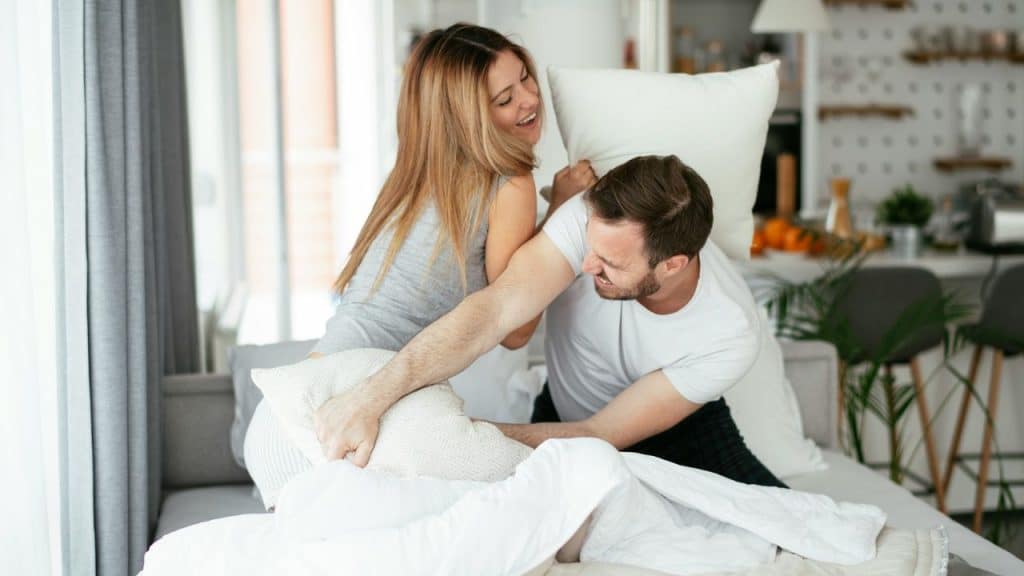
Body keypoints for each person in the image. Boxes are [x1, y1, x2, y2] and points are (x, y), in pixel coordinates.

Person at [243, 23, 598, 504]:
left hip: (282, 419)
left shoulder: (413, 179)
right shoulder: (507, 182)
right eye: (504, 99)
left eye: (525, 79)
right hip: (344, 408)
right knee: (549, 490)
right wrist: (561, 210)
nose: (529, 100)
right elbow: (514, 329)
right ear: (467, 117)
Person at [315, 154, 786, 488]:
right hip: (563, 419)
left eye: (610, 265)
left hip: (681, 432)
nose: (586, 267)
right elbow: (494, 312)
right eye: (590, 248)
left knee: (790, 530)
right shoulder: (586, 219)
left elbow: (603, 435)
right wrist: (373, 395)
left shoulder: (730, 332)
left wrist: (458, 434)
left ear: (672, 266)